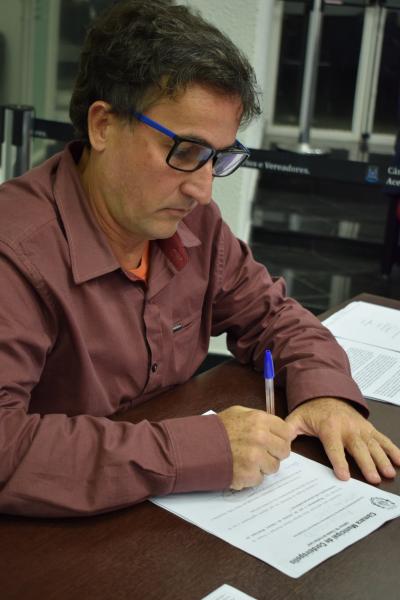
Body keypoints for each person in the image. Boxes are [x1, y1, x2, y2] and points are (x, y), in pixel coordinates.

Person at [0, 0, 399, 518]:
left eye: (218, 157)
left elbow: (273, 315)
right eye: (184, 151)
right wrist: (197, 451)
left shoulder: (192, 224)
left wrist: (325, 394)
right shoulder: (15, 253)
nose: (203, 190)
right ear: (103, 126)